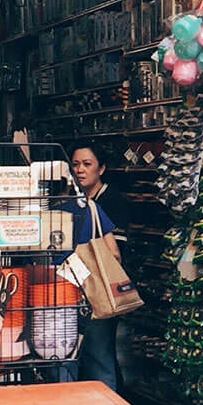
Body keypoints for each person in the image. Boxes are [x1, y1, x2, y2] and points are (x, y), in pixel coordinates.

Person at [61, 145, 128, 389]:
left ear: (102, 168)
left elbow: (115, 253)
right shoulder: (73, 202)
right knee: (86, 355)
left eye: (87, 164)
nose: (80, 170)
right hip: (73, 290)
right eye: (76, 164)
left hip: (99, 288)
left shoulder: (109, 200)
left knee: (98, 354)